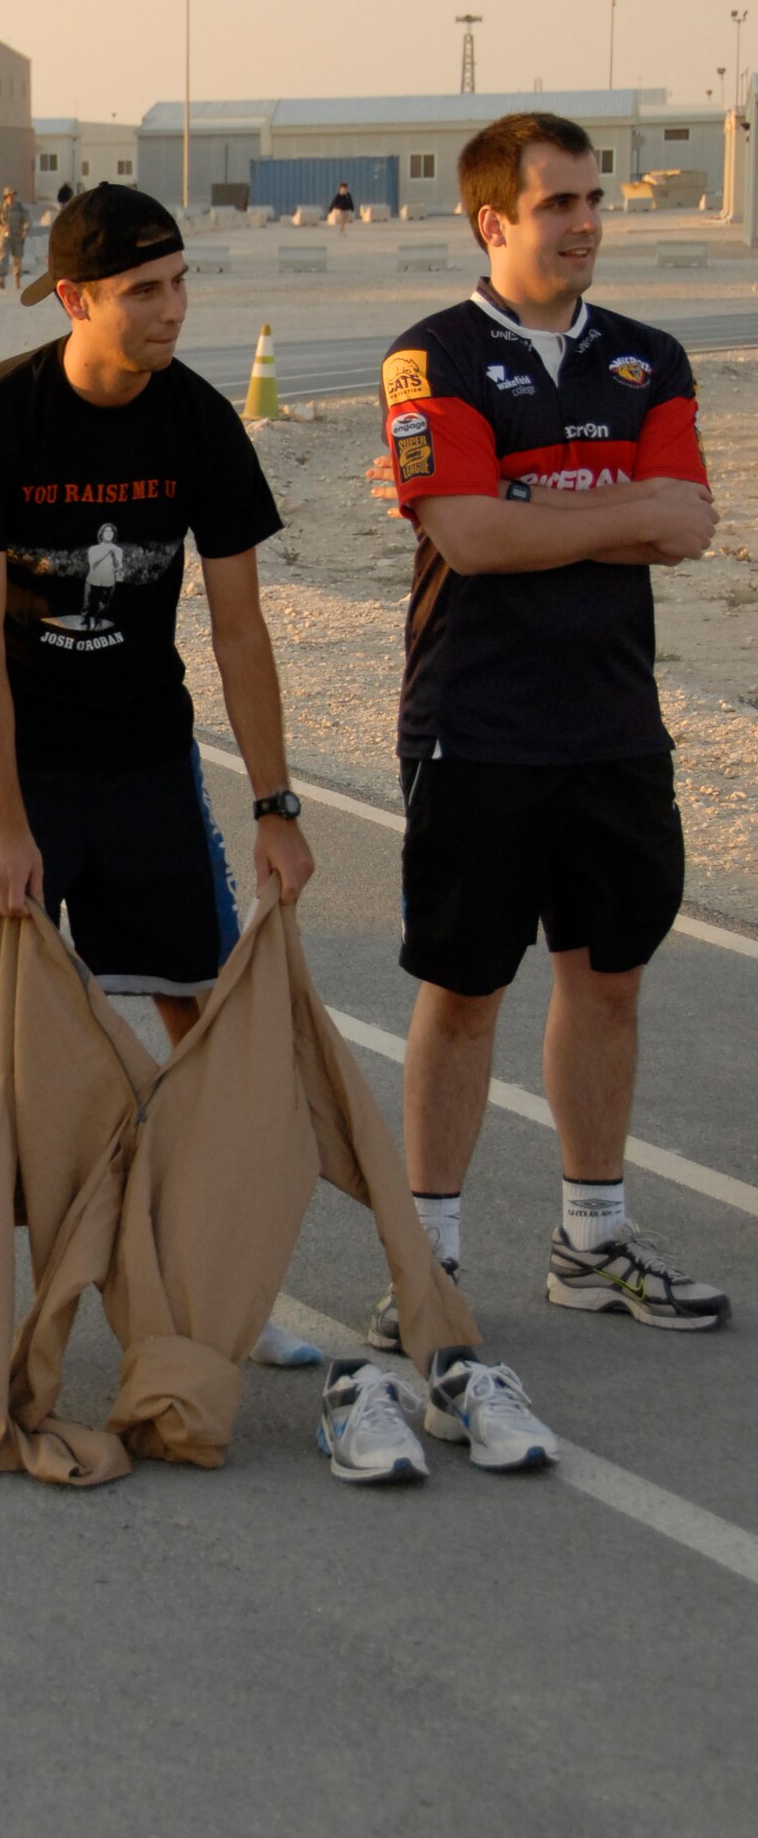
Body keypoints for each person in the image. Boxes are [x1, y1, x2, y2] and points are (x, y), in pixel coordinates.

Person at [0, 181, 316, 1389]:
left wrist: (275, 807)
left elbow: (240, 628)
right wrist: (6, 827)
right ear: (76, 299)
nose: (173, 311)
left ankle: (222, 1289)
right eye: (143, 292)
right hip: (4, 757)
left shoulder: (197, 422)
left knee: (201, 1027)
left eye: (179, 285)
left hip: (146, 758)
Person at [366, 110, 730, 1354]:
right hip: (477, 721)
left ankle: (591, 1240)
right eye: (558, 204)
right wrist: (600, 502)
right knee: (464, 994)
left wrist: (525, 495)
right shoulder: (432, 359)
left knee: (607, 983)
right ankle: (431, 1260)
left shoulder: (649, 356)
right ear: (494, 221)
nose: (585, 223)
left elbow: (688, 526)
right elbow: (464, 539)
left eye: (593, 200)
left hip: (614, 724)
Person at [0, 185, 30, 290]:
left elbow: (27, 220)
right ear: (5, 197)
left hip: (17, 236)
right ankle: (2, 279)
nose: (11, 197)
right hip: (4, 237)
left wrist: (25, 230)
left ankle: (17, 281)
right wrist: (1, 228)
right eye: (9, 195)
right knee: (3, 258)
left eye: (13, 195)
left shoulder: (20, 208)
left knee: (17, 259)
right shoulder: (0, 208)